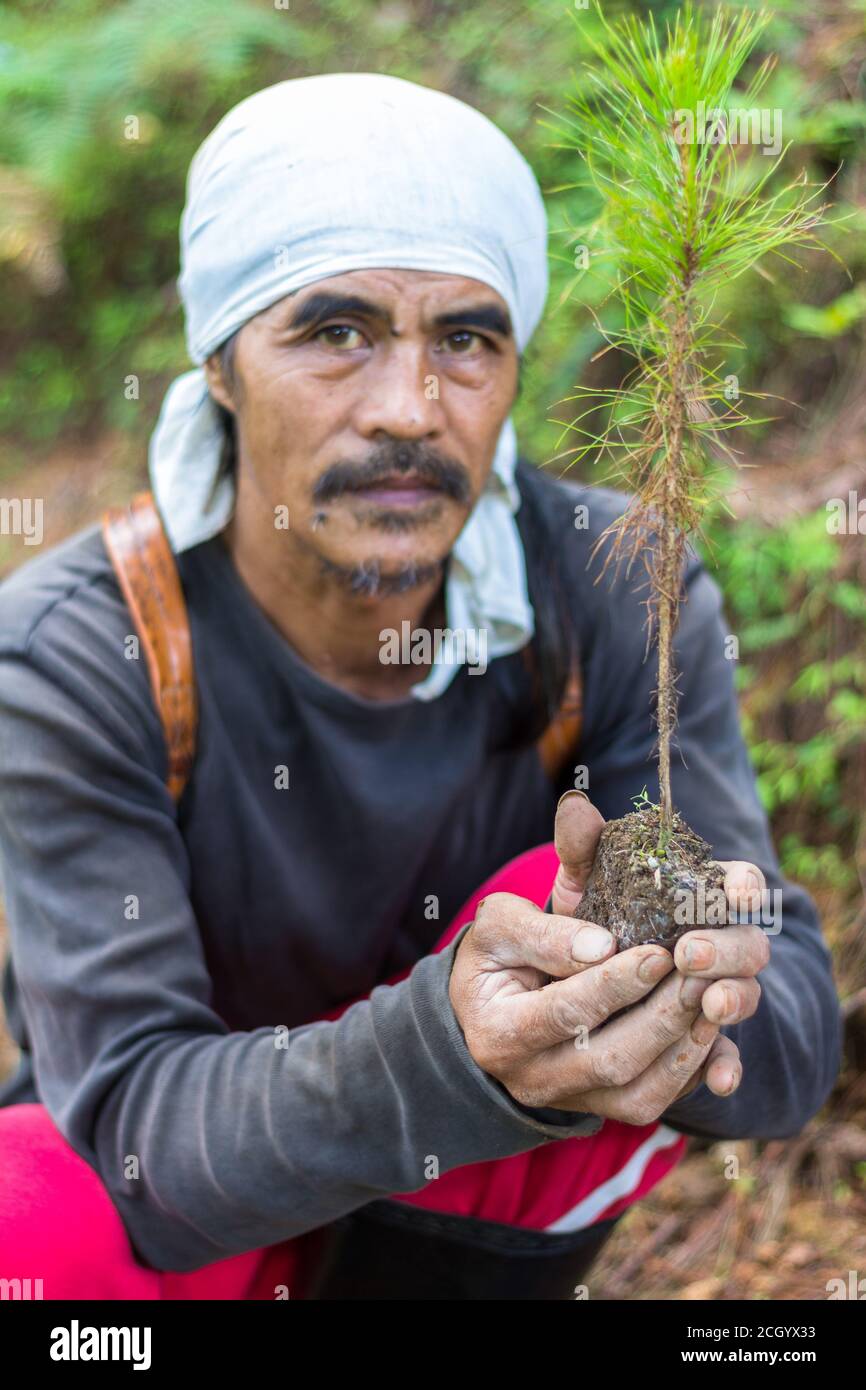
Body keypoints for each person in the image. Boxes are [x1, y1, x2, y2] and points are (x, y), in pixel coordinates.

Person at [0, 73, 841, 1301]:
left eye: (465, 338)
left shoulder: (608, 585)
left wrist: (692, 987)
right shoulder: (85, 652)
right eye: (333, 332)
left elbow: (794, 1022)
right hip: (199, 1216)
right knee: (27, 1219)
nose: (409, 409)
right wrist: (446, 1047)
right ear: (220, 367)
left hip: (463, 1208)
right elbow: (135, 1127)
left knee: (575, 906)